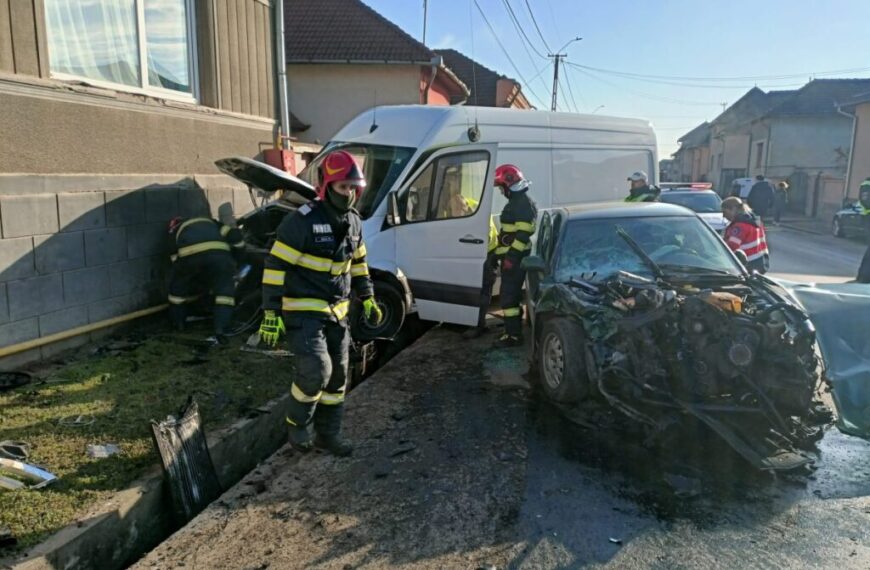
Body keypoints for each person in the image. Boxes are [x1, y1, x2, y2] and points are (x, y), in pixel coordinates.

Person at [258, 150, 382, 456]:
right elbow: (275, 268)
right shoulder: (301, 222)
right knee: (316, 371)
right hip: (303, 312)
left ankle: (329, 436)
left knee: (338, 377)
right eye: (343, 187)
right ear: (326, 186)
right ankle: (297, 426)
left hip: (338, 314)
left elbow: (359, 264)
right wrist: (271, 313)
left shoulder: (354, 222)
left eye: (353, 188)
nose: (349, 194)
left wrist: (367, 297)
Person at [166, 216, 245, 344]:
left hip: (189, 257)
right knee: (224, 293)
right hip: (219, 258)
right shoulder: (211, 222)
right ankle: (221, 329)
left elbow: (174, 259)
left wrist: (187, 275)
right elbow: (234, 235)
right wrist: (238, 258)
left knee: (177, 292)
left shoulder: (175, 231)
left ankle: (178, 324)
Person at [493, 164, 537, 347]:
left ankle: (514, 336)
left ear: (508, 184)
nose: (501, 191)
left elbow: (523, 233)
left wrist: (511, 257)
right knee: (510, 295)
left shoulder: (522, 203)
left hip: (515, 259)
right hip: (512, 257)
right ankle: (512, 330)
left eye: (501, 187)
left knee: (508, 296)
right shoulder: (518, 201)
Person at [721, 197, 769, 274]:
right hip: (760, 262)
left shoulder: (739, 226)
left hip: (746, 265)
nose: (724, 216)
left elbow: (731, 247)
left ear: (732, 209)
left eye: (724, 212)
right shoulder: (755, 221)